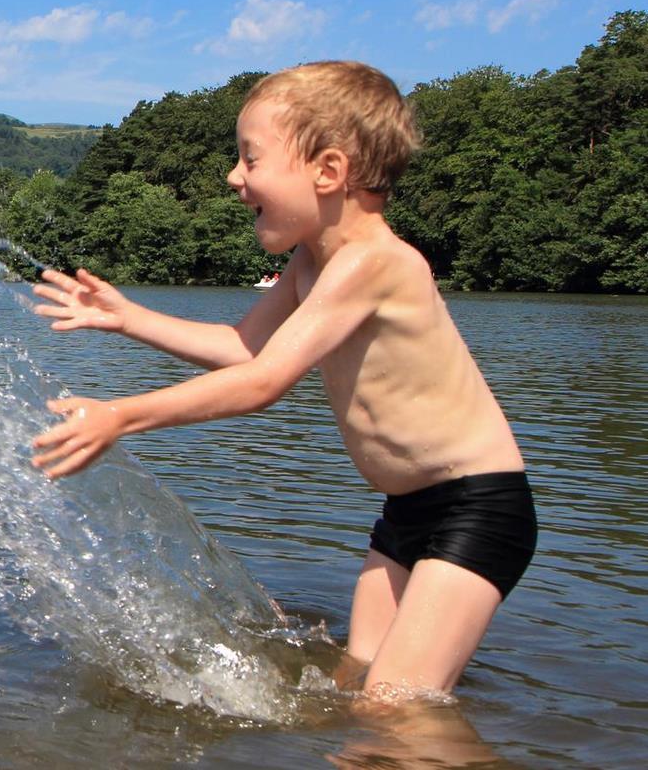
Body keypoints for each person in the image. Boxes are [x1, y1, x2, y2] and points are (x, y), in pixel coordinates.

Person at [28, 61, 535, 702]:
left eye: (251, 158)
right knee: (355, 684)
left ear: (328, 171)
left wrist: (121, 415)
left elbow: (266, 381)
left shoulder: (375, 262)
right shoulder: (310, 263)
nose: (234, 177)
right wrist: (129, 318)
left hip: (478, 506)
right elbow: (244, 348)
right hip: (408, 511)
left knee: (399, 708)